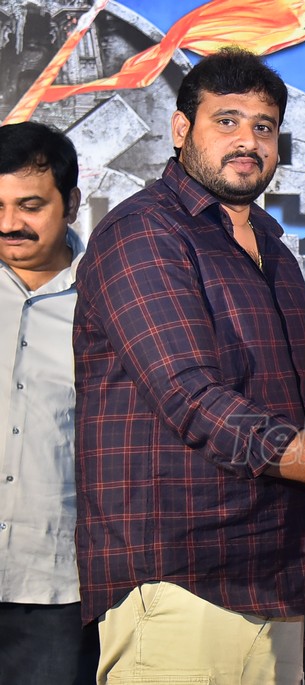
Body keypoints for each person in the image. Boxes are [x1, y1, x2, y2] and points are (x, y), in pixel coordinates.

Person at [73, 48, 305, 685]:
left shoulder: (272, 246)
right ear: (181, 129)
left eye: (264, 126)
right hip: (181, 582)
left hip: (278, 577)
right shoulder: (143, 233)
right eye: (227, 121)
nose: (248, 140)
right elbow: (198, 403)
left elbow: (287, 419)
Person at [0, 121, 88, 684]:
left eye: (30, 206)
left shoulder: (109, 300)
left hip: (54, 583)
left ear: (71, 204)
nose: (10, 223)